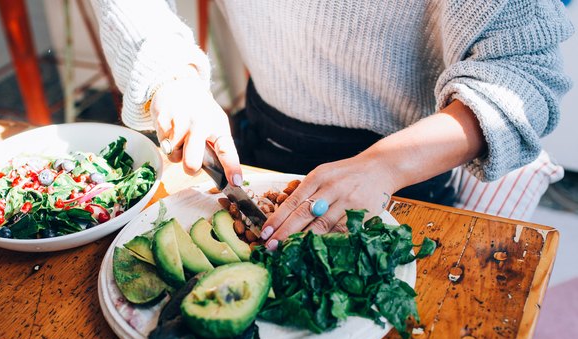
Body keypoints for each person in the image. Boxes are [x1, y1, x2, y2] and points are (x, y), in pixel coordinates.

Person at [91, 0, 573, 250]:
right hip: (261, 148)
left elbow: (527, 73)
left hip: (406, 181)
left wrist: (385, 166)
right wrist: (169, 74)